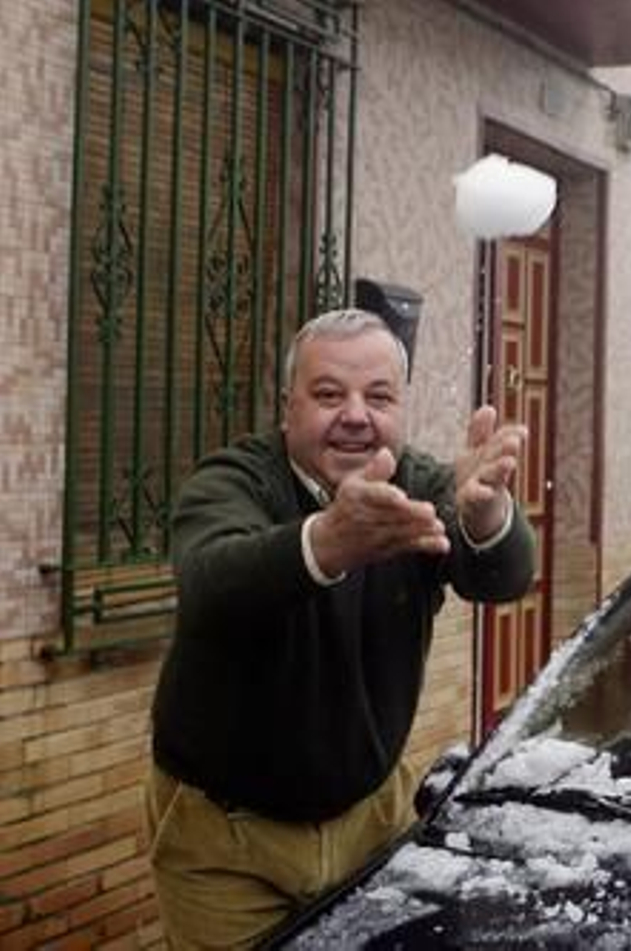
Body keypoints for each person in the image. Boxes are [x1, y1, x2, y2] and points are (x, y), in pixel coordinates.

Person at [145, 308, 536, 948]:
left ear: (401, 410)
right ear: (287, 408)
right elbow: (209, 580)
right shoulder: (233, 480)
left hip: (371, 820)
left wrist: (489, 516)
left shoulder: (418, 484)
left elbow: (501, 578)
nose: (355, 414)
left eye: (378, 396)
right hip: (227, 839)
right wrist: (327, 543)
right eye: (329, 394)